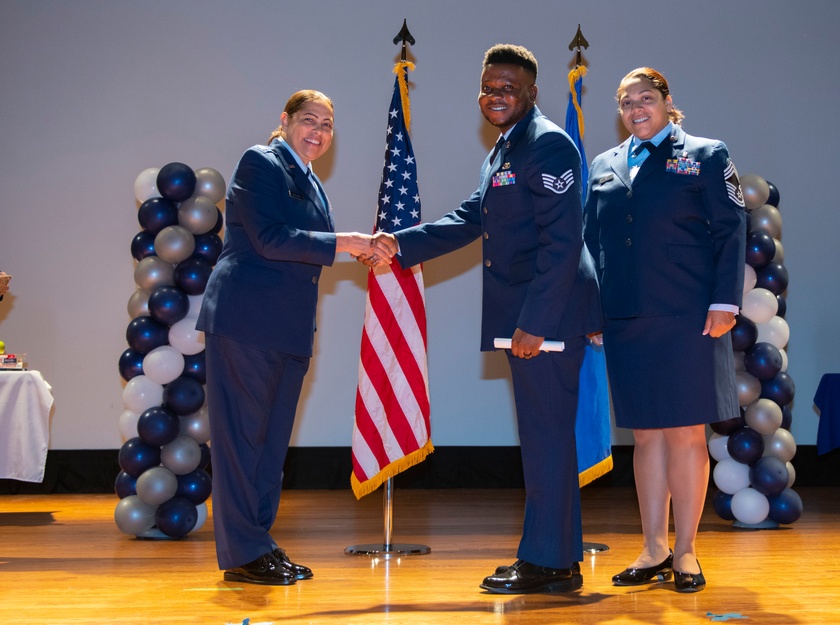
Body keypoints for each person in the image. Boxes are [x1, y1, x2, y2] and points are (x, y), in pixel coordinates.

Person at [368, 44, 602, 594]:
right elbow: (470, 217)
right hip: (530, 311)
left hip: (549, 314)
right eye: (489, 88)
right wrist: (397, 245)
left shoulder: (546, 145)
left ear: (531, 93)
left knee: (546, 438)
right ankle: (556, 557)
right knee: (546, 438)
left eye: (509, 88)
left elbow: (563, 243)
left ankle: (547, 563)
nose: (497, 96)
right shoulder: (506, 149)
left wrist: (537, 321)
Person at [196, 89, 392, 585]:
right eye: (309, 120)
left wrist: (356, 247)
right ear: (284, 121)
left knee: (270, 444)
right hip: (246, 322)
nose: (318, 132)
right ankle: (242, 552)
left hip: (286, 329)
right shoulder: (261, 162)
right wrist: (348, 243)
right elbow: (270, 240)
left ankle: (259, 544)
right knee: (242, 441)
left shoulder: (311, 181)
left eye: (327, 125)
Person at [583, 67, 746, 593]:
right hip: (625, 319)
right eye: (627, 102)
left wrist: (725, 301)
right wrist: (592, 310)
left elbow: (730, 229)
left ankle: (687, 551)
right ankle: (653, 547)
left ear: (667, 102)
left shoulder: (706, 154)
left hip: (688, 316)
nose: (636, 109)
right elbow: (591, 244)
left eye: (646, 99)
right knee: (645, 435)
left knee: (684, 434)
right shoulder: (604, 165)